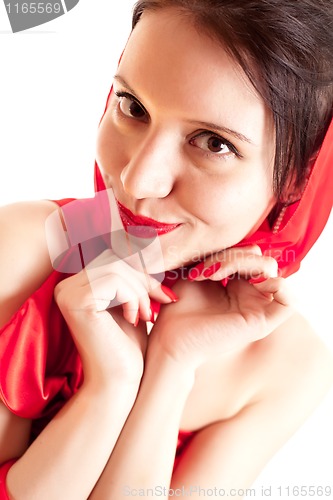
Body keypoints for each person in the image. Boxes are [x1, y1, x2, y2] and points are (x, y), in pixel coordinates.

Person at [1, 0, 333, 498]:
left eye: (214, 143)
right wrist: (109, 388)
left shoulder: (289, 363)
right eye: (133, 106)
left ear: (298, 178)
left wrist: (169, 367)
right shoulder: (24, 249)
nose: (138, 179)